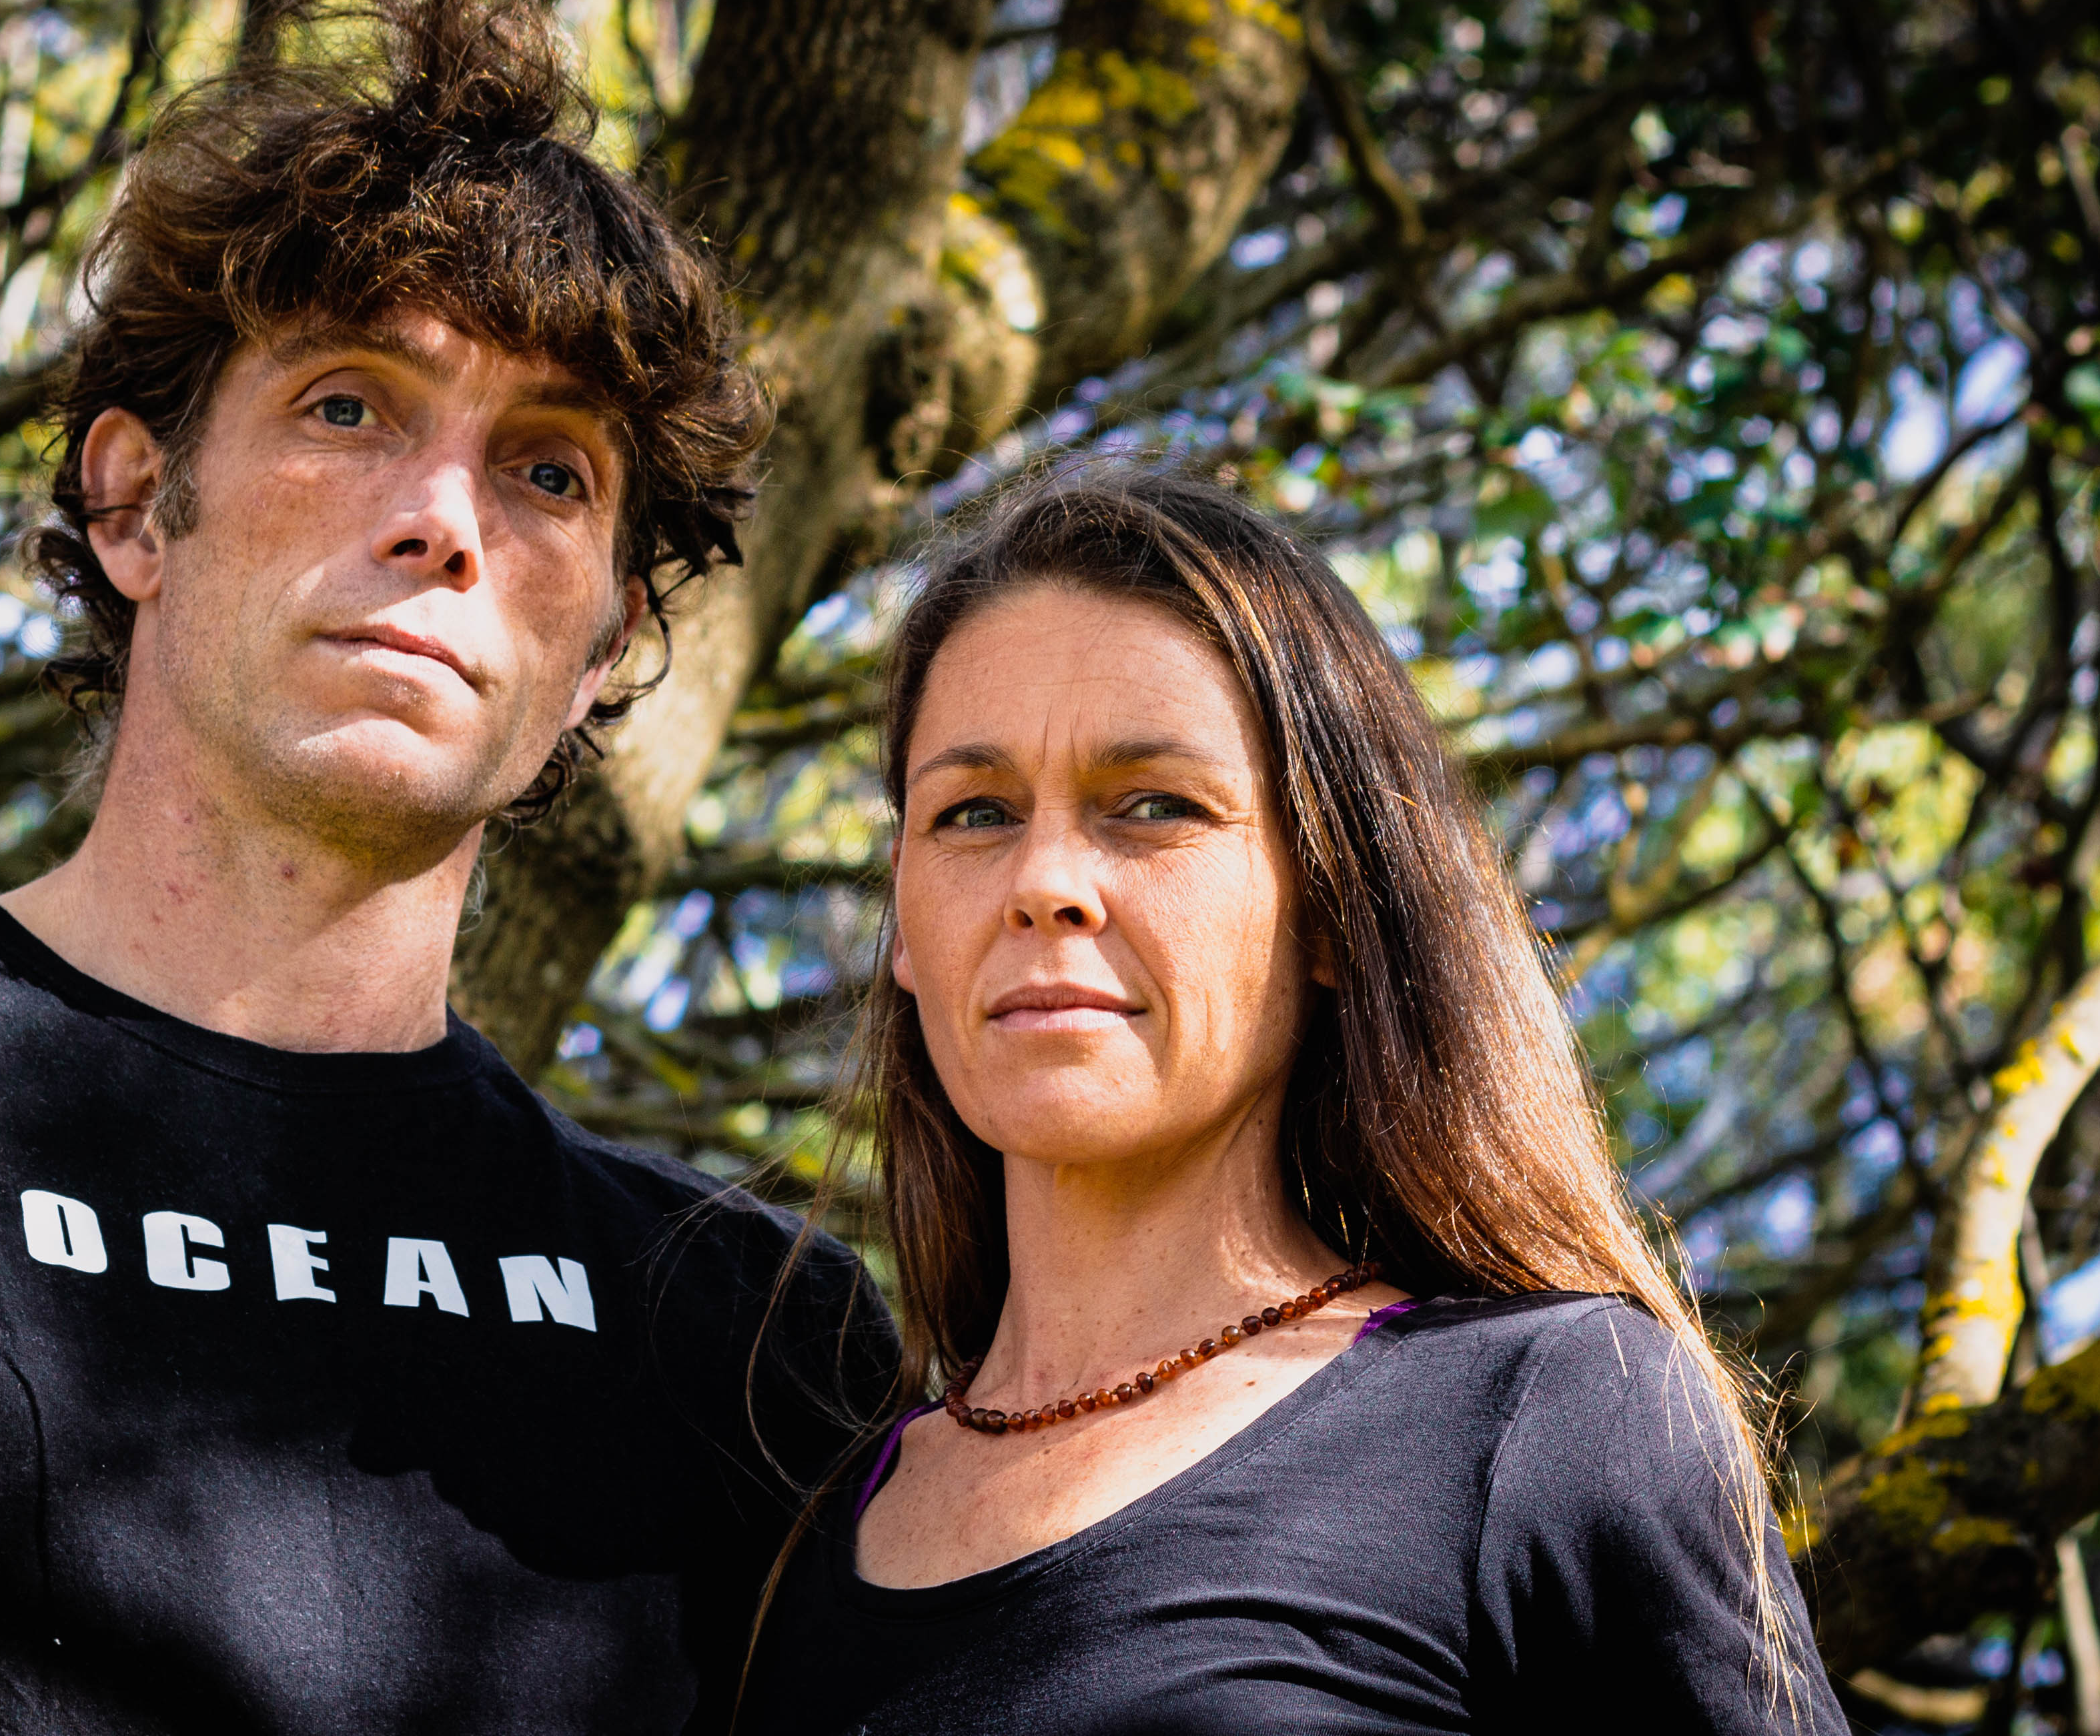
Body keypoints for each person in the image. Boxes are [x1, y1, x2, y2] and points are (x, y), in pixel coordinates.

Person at [0, 0, 891, 1732]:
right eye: (351, 406)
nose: (445, 522)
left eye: (550, 472)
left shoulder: (745, 1337)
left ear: (607, 650)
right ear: (133, 502)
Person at [735, 466, 1844, 1733]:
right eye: (974, 813)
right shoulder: (795, 1528)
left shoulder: (1549, 1415)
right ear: (903, 921)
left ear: (1329, 904)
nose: (1044, 882)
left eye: (1155, 806)